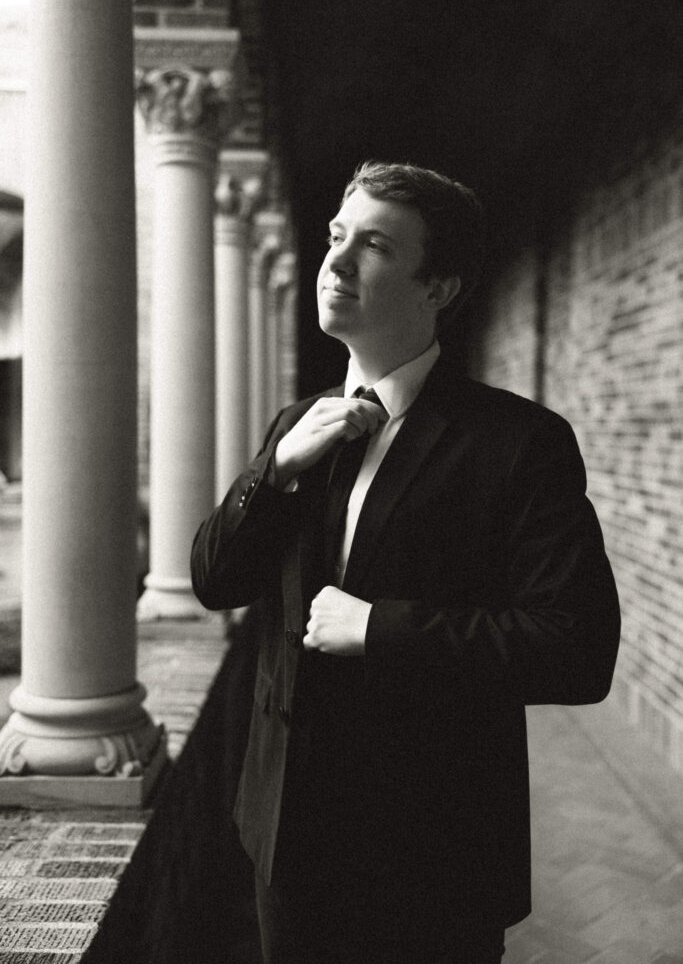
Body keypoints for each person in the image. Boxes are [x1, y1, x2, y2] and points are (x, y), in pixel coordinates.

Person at [191, 161, 621, 964]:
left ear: (440, 288)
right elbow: (215, 582)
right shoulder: (297, 425)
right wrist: (275, 470)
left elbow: (575, 648)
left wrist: (378, 629)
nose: (337, 262)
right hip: (285, 836)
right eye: (335, 237)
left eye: (374, 245)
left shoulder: (519, 442)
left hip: (432, 849)